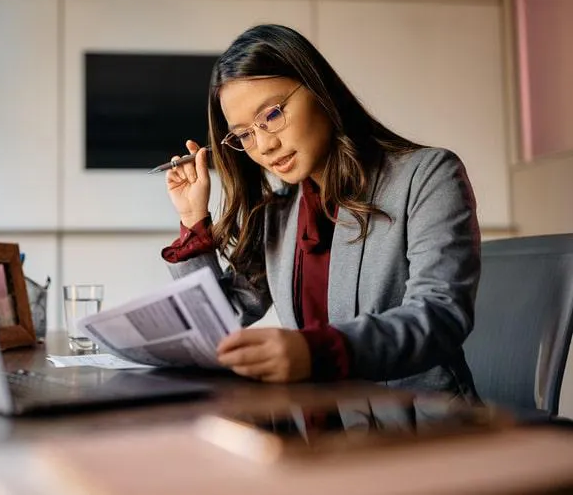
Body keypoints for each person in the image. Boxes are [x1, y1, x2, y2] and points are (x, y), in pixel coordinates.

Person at [162, 24, 480, 400]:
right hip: (314, 432)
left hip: (420, 433)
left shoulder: (427, 176)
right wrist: (192, 219)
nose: (264, 145)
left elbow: (440, 315)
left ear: (319, 89)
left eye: (273, 114)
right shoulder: (278, 213)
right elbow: (224, 318)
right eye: (245, 134)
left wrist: (316, 352)